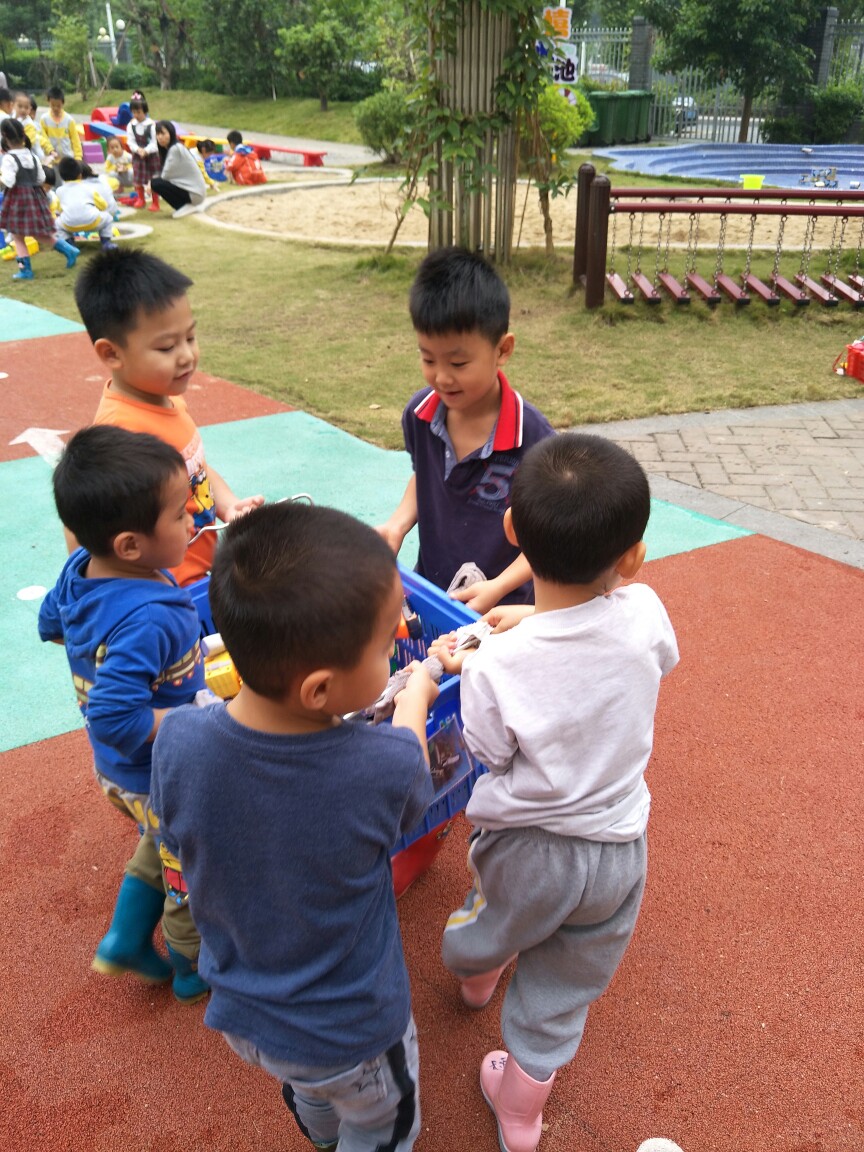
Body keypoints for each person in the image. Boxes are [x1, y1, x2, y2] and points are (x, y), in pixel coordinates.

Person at [150, 501, 439, 1152]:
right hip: (354, 1033)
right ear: (318, 690)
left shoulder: (180, 741)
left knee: (311, 1090)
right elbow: (412, 794)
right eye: (385, 647)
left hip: (246, 1017)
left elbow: (177, 827)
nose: (394, 650)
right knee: (384, 1124)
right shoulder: (384, 764)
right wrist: (415, 700)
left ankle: (321, 1131)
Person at [429, 432, 679, 1152]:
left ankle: (476, 973)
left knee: (495, 920)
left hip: (530, 849)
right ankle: (520, 1112)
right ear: (632, 557)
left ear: (513, 531)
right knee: (567, 982)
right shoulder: (646, 611)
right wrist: (540, 620)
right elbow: (619, 639)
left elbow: (489, 754)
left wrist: (490, 650)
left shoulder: (494, 667)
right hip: (619, 848)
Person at [37, 425, 209, 1003]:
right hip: (155, 769)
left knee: (159, 841)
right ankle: (190, 966)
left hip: (119, 773)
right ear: (132, 545)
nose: (193, 516)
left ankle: (127, 938)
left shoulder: (81, 569)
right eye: (179, 513)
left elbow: (52, 625)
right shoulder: (151, 617)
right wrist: (184, 719)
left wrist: (99, 653)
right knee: (188, 865)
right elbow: (115, 719)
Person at [377, 247, 555, 613]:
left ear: (502, 350)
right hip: (433, 592)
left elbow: (550, 540)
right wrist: (397, 524)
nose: (442, 377)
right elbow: (426, 478)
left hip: (502, 611)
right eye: (428, 358)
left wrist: (498, 587)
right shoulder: (419, 415)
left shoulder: (535, 441)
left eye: (458, 363)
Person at [73, 248, 264, 585]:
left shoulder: (167, 398)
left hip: (201, 570)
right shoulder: (122, 436)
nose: (187, 355)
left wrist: (228, 504)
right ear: (111, 353)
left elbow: (195, 468)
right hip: (169, 586)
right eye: (166, 348)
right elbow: (87, 534)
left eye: (190, 337)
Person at [0, 116, 79, 280]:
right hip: (34, 198)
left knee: (17, 235)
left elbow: (9, 181)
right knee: (37, 233)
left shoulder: (9, 158)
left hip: (17, 201)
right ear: (23, 135)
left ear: (4, 137)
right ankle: (68, 250)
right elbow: (40, 178)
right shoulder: (32, 156)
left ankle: (26, 270)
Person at [54, 156, 118, 250]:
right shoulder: (89, 188)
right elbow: (103, 205)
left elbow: (58, 209)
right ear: (80, 175)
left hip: (69, 224)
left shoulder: (59, 191)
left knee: (57, 224)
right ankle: (106, 243)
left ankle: (70, 244)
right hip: (92, 221)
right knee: (108, 218)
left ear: (61, 176)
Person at [151, 120, 207, 218]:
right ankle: (184, 206)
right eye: (158, 134)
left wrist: (150, 184)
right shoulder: (172, 148)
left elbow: (166, 175)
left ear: (171, 133)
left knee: (155, 183)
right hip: (193, 191)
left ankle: (183, 207)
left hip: (194, 193)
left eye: (163, 134)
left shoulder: (175, 149)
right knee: (156, 181)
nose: (160, 137)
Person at [125, 96, 160, 210]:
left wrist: (146, 150)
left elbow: (155, 142)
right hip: (138, 156)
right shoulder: (131, 125)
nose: (136, 115)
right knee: (138, 178)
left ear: (144, 111)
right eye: (134, 112)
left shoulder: (151, 125)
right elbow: (130, 141)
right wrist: (137, 150)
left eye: (138, 112)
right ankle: (141, 199)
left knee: (154, 178)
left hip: (152, 156)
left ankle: (155, 202)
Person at [39, 85, 82, 166]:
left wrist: (78, 157)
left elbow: (75, 140)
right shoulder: (44, 119)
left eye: (58, 106)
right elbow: (43, 138)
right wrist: (50, 150)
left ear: (63, 103)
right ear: (48, 102)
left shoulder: (69, 120)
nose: (55, 108)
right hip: (51, 160)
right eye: (53, 105)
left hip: (67, 160)